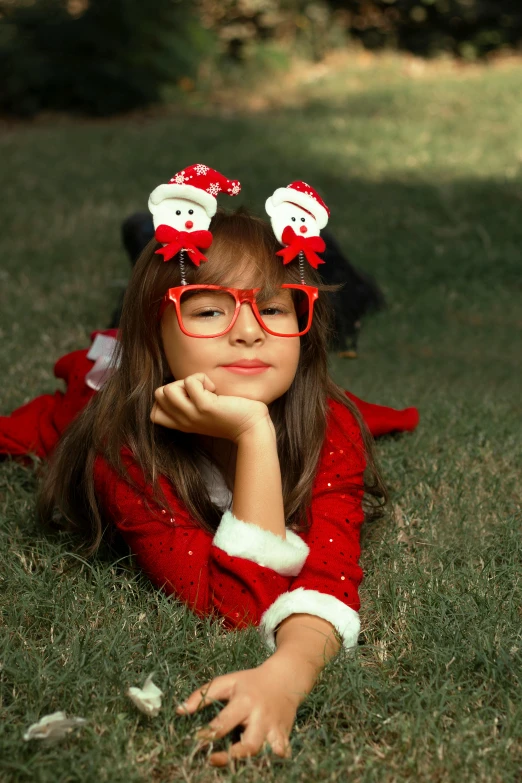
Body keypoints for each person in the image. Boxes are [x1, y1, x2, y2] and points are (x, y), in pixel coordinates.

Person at [3, 166, 417, 766]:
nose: (249, 332)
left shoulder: (329, 428)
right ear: (155, 333)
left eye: (276, 308)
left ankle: (163, 257)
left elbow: (328, 578)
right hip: (120, 392)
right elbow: (240, 609)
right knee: (55, 415)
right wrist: (253, 435)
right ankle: (146, 242)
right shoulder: (124, 454)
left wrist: (287, 673)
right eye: (207, 311)